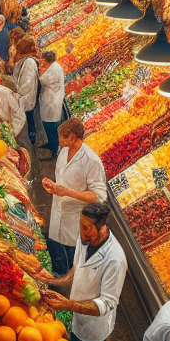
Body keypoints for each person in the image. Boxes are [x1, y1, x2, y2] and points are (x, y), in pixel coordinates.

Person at [39, 202, 127, 341]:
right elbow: (76, 268)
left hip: (95, 327)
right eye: (80, 225)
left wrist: (68, 305)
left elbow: (107, 302)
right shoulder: (85, 238)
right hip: (77, 316)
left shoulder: (115, 259)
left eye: (86, 228)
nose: (81, 232)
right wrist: (54, 280)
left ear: (102, 227)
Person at [41, 117, 106, 276]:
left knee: (73, 259)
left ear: (74, 137)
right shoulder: (63, 151)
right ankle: (57, 277)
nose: (60, 140)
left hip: (74, 219)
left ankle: (72, 288)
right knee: (55, 252)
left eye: (64, 137)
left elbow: (98, 195)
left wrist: (68, 193)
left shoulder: (91, 161)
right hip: (57, 212)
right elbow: (63, 179)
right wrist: (53, 186)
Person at [13, 36, 41, 148]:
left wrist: (18, 93)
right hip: (24, 98)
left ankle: (31, 145)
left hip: (26, 99)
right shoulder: (26, 61)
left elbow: (27, 82)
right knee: (28, 121)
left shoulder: (29, 62)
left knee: (29, 122)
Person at [38, 49, 66, 156]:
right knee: (49, 126)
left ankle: (54, 151)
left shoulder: (54, 68)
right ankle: (50, 144)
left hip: (53, 102)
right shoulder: (54, 67)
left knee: (52, 127)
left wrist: (40, 73)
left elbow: (44, 80)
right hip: (50, 101)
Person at [0, 76, 27, 143]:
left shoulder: (5, 92)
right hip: (7, 130)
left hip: (16, 130)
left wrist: (11, 134)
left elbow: (19, 117)